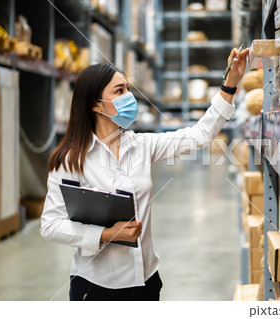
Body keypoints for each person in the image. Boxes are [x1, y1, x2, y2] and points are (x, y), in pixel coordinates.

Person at [40, 47, 250, 301]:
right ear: (96, 104)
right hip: (97, 287)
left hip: (147, 280)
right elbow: (51, 225)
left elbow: (199, 135)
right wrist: (106, 234)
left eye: (127, 89)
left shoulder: (139, 146)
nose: (129, 96)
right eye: (119, 91)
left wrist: (230, 84)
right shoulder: (71, 159)